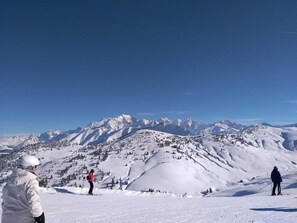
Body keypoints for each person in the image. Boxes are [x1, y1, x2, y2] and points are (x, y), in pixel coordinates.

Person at [1, 155, 45, 223]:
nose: (36, 169)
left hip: (6, 219)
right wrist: (40, 217)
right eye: (35, 167)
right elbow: (34, 201)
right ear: (30, 167)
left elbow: (5, 202)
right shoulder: (31, 181)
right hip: (24, 220)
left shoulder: (11, 180)